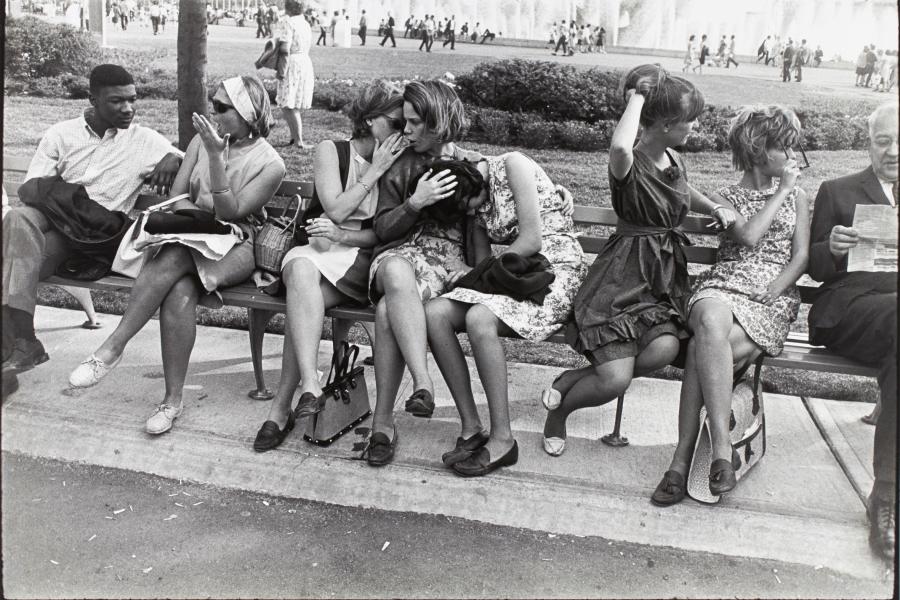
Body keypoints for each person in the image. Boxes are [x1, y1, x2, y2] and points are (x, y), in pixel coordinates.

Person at [67, 75, 286, 436]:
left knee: (174, 258)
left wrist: (216, 158)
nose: (211, 113)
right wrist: (198, 218)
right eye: (212, 105)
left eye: (220, 107)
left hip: (239, 244)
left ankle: (112, 348)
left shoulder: (270, 163)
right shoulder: (203, 143)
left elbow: (230, 212)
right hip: (193, 236)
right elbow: (180, 194)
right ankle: (171, 402)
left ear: (248, 114)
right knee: (179, 289)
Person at [542, 65, 736, 459]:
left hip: (659, 279)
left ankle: (571, 380)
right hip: (622, 279)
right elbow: (618, 147)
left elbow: (685, 189)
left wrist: (714, 204)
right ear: (664, 124)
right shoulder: (626, 164)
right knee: (615, 381)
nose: (693, 128)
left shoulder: (672, 158)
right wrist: (640, 96)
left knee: (664, 350)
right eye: (688, 121)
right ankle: (560, 412)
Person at [651, 105, 809, 506]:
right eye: (785, 149)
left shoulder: (801, 198)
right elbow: (751, 236)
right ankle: (722, 450)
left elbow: (801, 257)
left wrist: (778, 286)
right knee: (708, 314)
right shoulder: (723, 197)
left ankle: (680, 459)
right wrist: (782, 192)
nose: (793, 158)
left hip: (766, 298)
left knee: (705, 348)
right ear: (759, 151)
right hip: (725, 284)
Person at [253, 81, 407, 451]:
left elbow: (380, 233)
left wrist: (344, 236)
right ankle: (309, 385)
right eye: (397, 122)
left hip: (355, 258)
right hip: (315, 251)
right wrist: (375, 170)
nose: (404, 132)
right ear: (371, 121)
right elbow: (335, 208)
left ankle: (281, 407)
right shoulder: (331, 151)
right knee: (303, 278)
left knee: (302, 302)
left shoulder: (399, 164)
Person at [2, 65, 182, 376]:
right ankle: (24, 341)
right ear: (92, 100)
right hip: (52, 220)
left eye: (132, 99)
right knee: (18, 217)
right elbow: (33, 188)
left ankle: (21, 342)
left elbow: (200, 159)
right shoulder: (62, 133)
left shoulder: (145, 140)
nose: (128, 108)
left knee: (13, 258)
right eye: (116, 101)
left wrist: (175, 158)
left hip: (91, 237)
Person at [426, 153, 587, 477]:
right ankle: (472, 429)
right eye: (466, 212)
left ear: (472, 180)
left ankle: (503, 440)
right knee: (435, 314)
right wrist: (472, 268)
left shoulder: (513, 165)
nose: (472, 213)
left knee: (479, 318)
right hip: (515, 274)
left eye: (470, 206)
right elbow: (485, 259)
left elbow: (532, 239)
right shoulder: (470, 200)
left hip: (557, 270)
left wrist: (480, 272)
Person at [361, 80, 483, 467]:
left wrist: (558, 194)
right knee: (396, 271)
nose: (406, 130)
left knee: (386, 313)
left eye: (414, 123)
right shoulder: (401, 163)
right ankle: (423, 381)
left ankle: (383, 423)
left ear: (438, 122)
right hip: (396, 255)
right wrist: (415, 203)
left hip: (444, 267)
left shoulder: (473, 164)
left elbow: (498, 213)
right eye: (404, 122)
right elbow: (382, 229)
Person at [806, 102, 897, 560]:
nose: (893, 150)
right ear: (869, 144)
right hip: (851, 308)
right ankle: (887, 498)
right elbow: (816, 269)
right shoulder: (838, 190)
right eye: (884, 141)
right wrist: (833, 247)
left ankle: (885, 494)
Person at [275, 0, 314, 149]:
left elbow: (285, 48)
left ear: (288, 7)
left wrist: (281, 69)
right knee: (289, 103)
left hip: (292, 63)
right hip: (303, 61)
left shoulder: (288, 22)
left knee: (289, 104)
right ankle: (294, 137)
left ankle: (298, 140)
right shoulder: (305, 23)